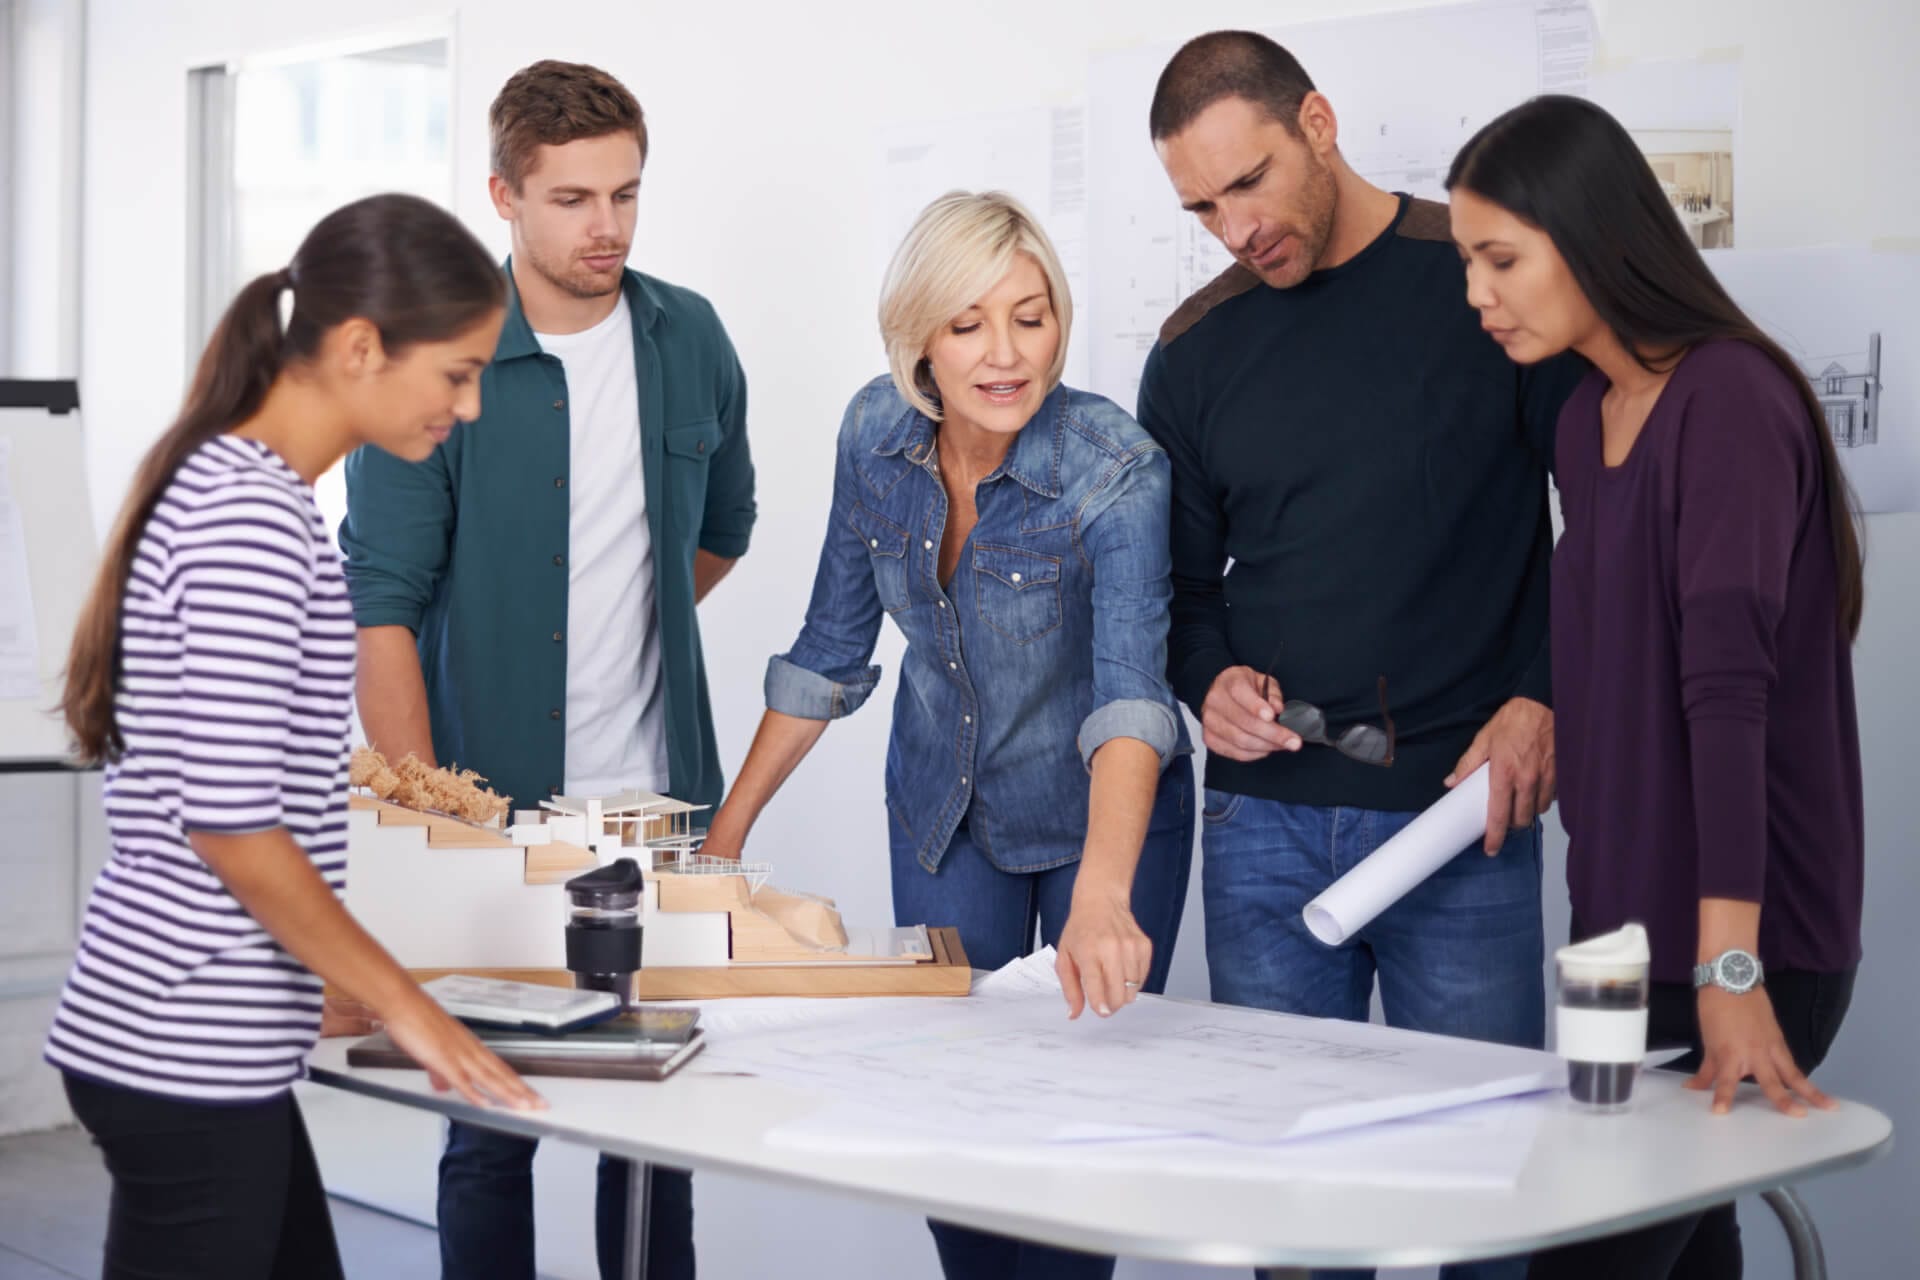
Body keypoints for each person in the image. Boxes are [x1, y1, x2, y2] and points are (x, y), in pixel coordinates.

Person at [1138, 35, 1586, 1279]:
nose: (1235, 226)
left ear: (1320, 123)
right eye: (1201, 205)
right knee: (1300, 1225)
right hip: (1264, 837)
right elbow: (1178, 596)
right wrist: (1207, 680)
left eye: (1251, 181)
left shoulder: (1483, 277)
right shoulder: (1190, 351)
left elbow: (1596, 524)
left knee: (1490, 1208)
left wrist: (1544, 692)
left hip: (1462, 821)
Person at [43, 193, 543, 1280]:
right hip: (182, 1046)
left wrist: (311, 972)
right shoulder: (252, 519)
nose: (467, 407)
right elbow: (230, 823)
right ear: (362, 347)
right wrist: (412, 1007)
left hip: (191, 1037)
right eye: (456, 373)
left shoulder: (244, 490)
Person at [698, 190, 1194, 1280]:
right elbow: (830, 648)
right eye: (968, 324)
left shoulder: (1115, 466)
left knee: (1073, 1139)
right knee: (956, 1130)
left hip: (1097, 822)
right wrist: (720, 847)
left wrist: (1105, 893)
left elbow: (1130, 698)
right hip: (943, 811)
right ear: (918, 334)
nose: (1006, 354)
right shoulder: (873, 434)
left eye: (1032, 316)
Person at [340, 60, 755, 1280]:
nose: (608, 226)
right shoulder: (434, 365)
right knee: (488, 1128)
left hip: (657, 813)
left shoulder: (691, 336)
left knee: (656, 1128)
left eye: (625, 191)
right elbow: (383, 609)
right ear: (503, 198)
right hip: (494, 816)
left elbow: (722, 529)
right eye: (572, 198)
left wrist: (626, 625)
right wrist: (432, 826)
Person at [1447, 94, 1866, 1280]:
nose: (1477, 294)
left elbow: (1727, 702)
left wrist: (1727, 973)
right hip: (1615, 935)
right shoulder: (1585, 423)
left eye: (1501, 259)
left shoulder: (1728, 400)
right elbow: (1617, 661)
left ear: (1591, 236)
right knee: (1683, 1259)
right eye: (1470, 262)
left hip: (1740, 940)